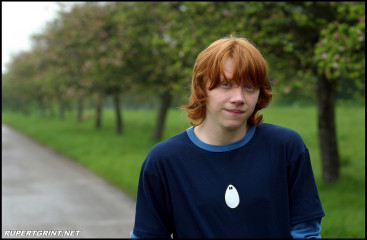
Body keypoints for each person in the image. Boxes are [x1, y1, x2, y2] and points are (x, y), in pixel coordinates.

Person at [130, 35, 325, 238]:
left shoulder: (286, 147)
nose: (239, 98)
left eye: (249, 87)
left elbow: (306, 231)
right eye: (226, 84)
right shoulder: (164, 160)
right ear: (201, 86)